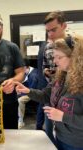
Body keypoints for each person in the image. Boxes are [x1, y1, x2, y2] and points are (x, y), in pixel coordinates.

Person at [15, 34, 83, 149]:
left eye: (59, 57)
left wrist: (63, 116)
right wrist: (28, 91)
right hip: (60, 137)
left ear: (74, 57)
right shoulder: (61, 76)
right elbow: (46, 95)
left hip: (77, 143)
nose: (55, 61)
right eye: (54, 57)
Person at [43, 10, 67, 145]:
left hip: (70, 98)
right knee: (49, 134)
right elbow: (44, 67)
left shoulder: (76, 45)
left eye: (53, 30)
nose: (50, 34)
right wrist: (47, 73)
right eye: (48, 31)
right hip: (52, 94)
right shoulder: (48, 47)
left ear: (64, 26)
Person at [18, 59, 38, 129]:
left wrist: (21, 93)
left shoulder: (33, 75)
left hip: (35, 93)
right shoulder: (29, 72)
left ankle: (20, 121)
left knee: (20, 100)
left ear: (26, 67)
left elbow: (31, 90)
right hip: (30, 90)